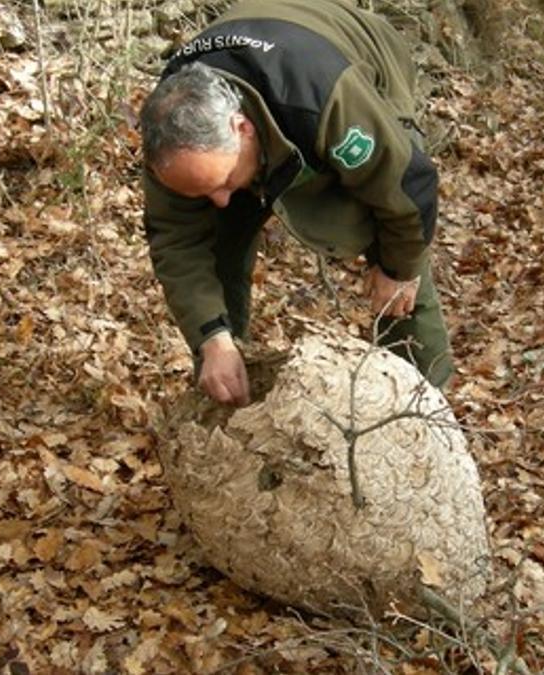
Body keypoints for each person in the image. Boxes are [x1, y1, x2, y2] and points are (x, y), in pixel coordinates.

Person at [139, 0, 454, 407]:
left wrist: (399, 268)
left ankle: (423, 403)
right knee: (217, 242)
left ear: (243, 128)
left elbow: (406, 185)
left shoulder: (324, 96)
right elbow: (177, 241)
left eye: (223, 182)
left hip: (360, 58)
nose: (218, 200)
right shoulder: (171, 138)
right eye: (201, 190)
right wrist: (211, 338)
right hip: (268, 86)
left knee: (396, 258)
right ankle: (228, 381)